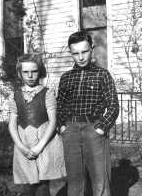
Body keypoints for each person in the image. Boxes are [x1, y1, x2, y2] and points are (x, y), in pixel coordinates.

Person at [57, 31, 119, 196]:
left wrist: (101, 128)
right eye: (75, 53)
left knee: (100, 179)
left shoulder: (102, 75)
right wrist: (62, 127)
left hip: (94, 129)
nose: (81, 57)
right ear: (71, 53)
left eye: (84, 51)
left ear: (92, 49)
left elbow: (113, 105)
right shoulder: (66, 78)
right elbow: (60, 105)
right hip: (70, 131)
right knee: (75, 179)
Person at [8, 54, 66, 196]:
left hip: (44, 143)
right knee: (28, 185)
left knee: (42, 186)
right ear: (19, 74)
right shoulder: (14, 95)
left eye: (34, 71)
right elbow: (12, 123)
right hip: (24, 142)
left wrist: (39, 146)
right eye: (25, 72)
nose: (30, 75)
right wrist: (21, 147)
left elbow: (53, 121)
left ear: (39, 71)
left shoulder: (47, 93)